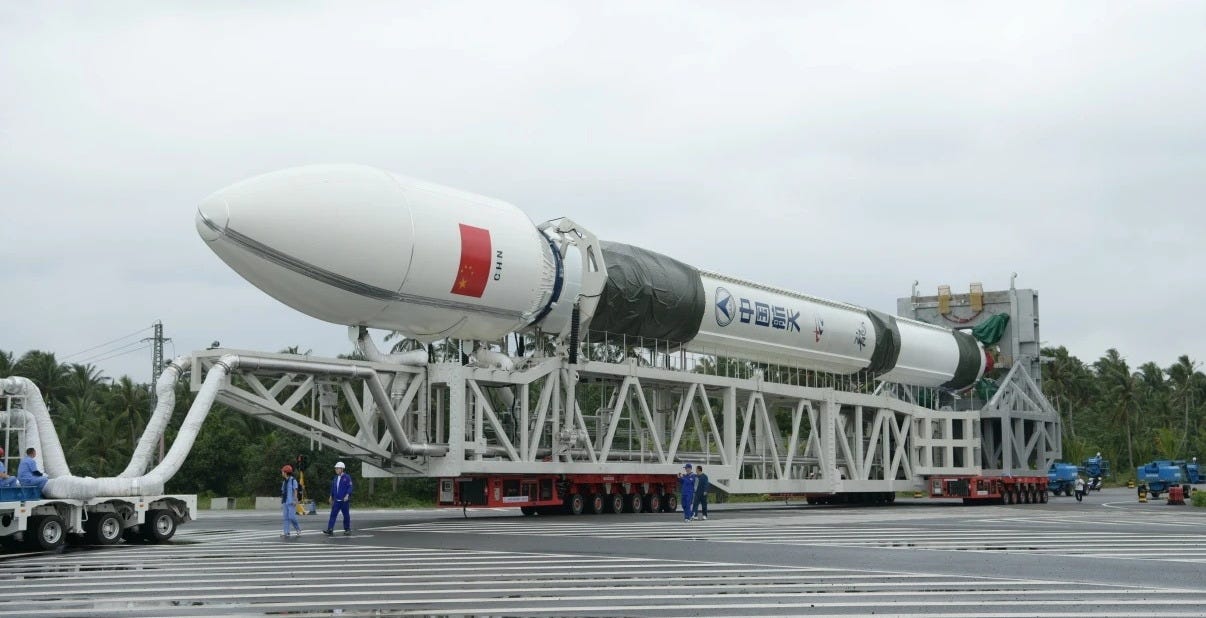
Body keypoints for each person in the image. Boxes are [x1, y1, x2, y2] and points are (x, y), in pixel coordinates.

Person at [323, 461, 353, 536]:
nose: (336, 470)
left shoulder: (347, 477)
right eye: (336, 468)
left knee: (346, 515)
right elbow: (333, 488)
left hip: (344, 501)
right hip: (336, 501)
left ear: (342, 469)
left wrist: (347, 495)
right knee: (333, 515)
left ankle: (347, 529)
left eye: (337, 468)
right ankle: (330, 529)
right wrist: (331, 496)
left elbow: (350, 487)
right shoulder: (335, 478)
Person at [280, 464, 302, 538]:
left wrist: (295, 500)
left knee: (292, 517)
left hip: (291, 502)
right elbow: (283, 491)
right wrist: (282, 501)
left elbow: (295, 490)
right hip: (285, 502)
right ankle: (286, 532)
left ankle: (298, 529)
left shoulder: (293, 480)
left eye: (283, 472)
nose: (282, 473)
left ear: (286, 472)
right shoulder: (284, 482)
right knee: (285, 518)